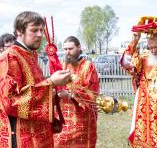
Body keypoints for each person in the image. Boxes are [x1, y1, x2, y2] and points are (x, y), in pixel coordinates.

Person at [0, 11, 71, 148]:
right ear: (19, 31)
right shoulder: (9, 57)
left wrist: (54, 89)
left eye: (41, 30)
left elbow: (37, 88)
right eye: (34, 30)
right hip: (22, 135)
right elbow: (10, 101)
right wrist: (51, 82)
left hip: (40, 133)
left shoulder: (31, 55)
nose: (40, 34)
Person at [53, 36, 99, 148]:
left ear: (79, 47)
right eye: (65, 49)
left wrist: (69, 95)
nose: (67, 52)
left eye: (70, 48)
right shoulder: (62, 65)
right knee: (59, 143)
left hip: (82, 117)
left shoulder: (88, 66)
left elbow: (91, 92)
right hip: (63, 117)